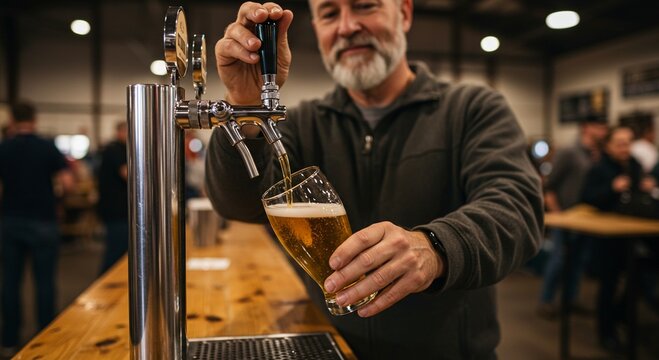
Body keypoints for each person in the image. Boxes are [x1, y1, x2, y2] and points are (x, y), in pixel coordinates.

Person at [205, 1, 543, 359]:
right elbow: (237, 204)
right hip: (330, 347)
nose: (348, 26)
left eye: (365, 6)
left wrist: (435, 247)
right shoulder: (303, 123)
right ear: (317, 29)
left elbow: (517, 209)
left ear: (406, 13)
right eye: (330, 14)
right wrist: (245, 106)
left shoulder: (472, 108)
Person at [0, 102, 74, 355]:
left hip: (10, 221)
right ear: (34, 119)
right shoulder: (46, 147)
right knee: (44, 281)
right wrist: (59, 202)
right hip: (43, 221)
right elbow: (67, 181)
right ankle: (45, 337)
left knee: (10, 281)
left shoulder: (4, 148)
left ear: (12, 119)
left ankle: (9, 340)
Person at [582, 125, 656, 353]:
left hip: (633, 236)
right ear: (609, 145)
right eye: (620, 143)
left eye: (628, 142)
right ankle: (607, 333)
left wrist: (647, 186)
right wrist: (611, 188)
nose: (625, 148)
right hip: (608, 240)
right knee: (609, 285)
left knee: (639, 280)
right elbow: (587, 199)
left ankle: (620, 316)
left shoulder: (633, 164)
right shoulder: (599, 168)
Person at [537, 117, 608, 319]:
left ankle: (571, 299)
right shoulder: (569, 152)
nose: (603, 131)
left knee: (579, 261)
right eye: (599, 127)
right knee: (559, 259)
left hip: (586, 217)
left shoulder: (596, 155)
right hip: (566, 217)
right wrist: (557, 214)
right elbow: (549, 186)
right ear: (586, 128)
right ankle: (546, 301)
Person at [96, 121, 129, 274]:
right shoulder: (115, 150)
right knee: (116, 253)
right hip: (116, 210)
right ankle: (104, 288)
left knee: (120, 252)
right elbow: (127, 174)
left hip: (118, 210)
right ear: (120, 132)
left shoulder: (120, 149)